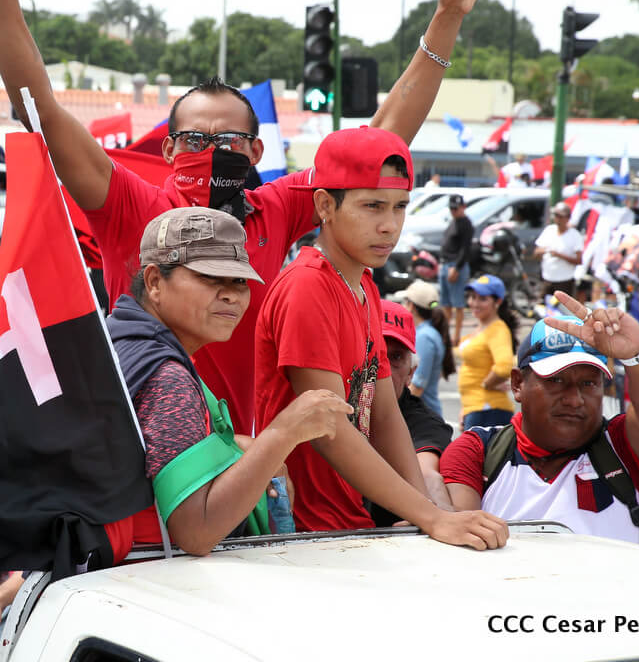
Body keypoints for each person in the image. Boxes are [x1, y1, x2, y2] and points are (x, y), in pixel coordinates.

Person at [0, 0, 489, 434]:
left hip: (243, 465)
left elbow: (379, 142)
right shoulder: (131, 208)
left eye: (229, 140)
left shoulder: (272, 212)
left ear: (255, 152)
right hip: (139, 457)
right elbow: (39, 107)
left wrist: (447, 16)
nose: (211, 151)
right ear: (167, 150)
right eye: (194, 139)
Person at [253, 128, 505, 546]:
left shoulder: (364, 286)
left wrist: (425, 512)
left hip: (348, 523)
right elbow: (329, 429)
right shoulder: (308, 286)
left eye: (400, 206)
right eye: (372, 206)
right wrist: (431, 517)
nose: (390, 226)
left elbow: (385, 413)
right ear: (324, 205)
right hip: (302, 533)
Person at [107, 206, 347, 556]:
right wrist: (282, 434)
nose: (231, 295)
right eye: (209, 277)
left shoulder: (121, 339)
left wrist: (239, 448)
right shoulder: (167, 378)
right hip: (140, 573)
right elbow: (195, 532)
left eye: (239, 281)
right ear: (155, 282)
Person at [442, 294, 639, 544]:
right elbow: (463, 545)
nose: (574, 400)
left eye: (588, 383)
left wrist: (638, 353)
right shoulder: (477, 452)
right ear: (518, 384)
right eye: (556, 380)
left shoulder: (626, 449)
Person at [370, 299, 454, 526]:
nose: (383, 369)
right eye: (373, 352)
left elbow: (425, 472)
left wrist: (440, 513)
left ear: (411, 373)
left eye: (395, 357)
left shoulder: (424, 421)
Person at [457, 274, 518, 429]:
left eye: (482, 299)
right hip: (477, 408)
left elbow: (503, 367)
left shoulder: (497, 329)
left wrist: (486, 385)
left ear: (498, 302)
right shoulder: (482, 327)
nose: (474, 303)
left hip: (488, 410)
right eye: (472, 297)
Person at [395, 279, 455, 418]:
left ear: (411, 306)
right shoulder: (427, 333)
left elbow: (417, 386)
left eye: (405, 301)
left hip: (421, 417)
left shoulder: (424, 337)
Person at [439, 193, 474, 344]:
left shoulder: (465, 224)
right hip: (446, 264)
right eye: (451, 209)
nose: (453, 211)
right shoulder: (454, 221)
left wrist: (457, 268)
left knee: (457, 304)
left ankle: (456, 336)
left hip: (455, 265)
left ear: (463, 207)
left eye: (456, 208)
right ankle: (445, 334)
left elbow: (465, 249)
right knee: (445, 303)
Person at [534, 201, 583, 298]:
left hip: (565, 281)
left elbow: (579, 260)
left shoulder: (575, 235)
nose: (557, 219)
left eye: (560, 216)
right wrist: (546, 251)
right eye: (556, 215)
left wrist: (559, 255)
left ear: (567, 218)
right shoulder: (549, 230)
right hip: (547, 279)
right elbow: (536, 252)